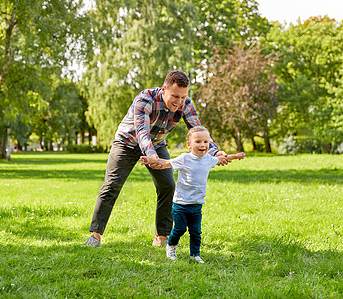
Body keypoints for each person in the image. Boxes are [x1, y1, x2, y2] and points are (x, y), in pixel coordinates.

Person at [84, 71, 228, 248]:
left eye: (183, 97)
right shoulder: (145, 99)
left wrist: (215, 152)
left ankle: (161, 236)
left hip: (157, 143)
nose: (179, 101)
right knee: (112, 184)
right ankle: (95, 236)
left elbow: (198, 130)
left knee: (167, 185)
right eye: (175, 96)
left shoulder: (186, 104)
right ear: (164, 89)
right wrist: (151, 156)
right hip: (127, 142)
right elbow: (142, 132)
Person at [140, 126, 245, 263]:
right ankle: (171, 246)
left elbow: (220, 160)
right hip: (181, 203)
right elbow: (166, 163)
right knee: (180, 228)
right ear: (189, 144)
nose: (203, 145)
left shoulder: (208, 159)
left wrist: (235, 156)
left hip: (197, 203)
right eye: (198, 141)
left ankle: (195, 255)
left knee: (196, 231)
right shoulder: (185, 158)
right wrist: (150, 160)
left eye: (206, 142)